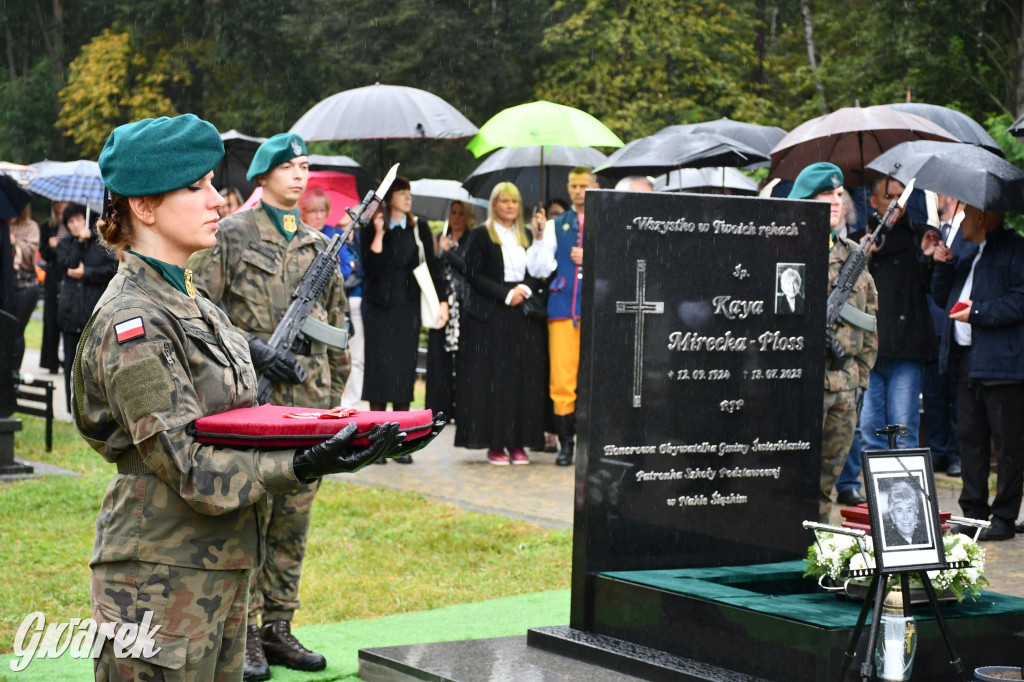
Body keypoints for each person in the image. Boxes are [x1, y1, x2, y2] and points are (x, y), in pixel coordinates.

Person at [76, 114, 406, 681]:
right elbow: (190, 469)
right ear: (144, 206)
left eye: (212, 183)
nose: (217, 200)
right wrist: (299, 462)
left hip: (219, 566)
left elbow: (238, 416)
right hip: (158, 578)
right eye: (195, 186)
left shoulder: (194, 301)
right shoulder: (136, 320)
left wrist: (323, 428)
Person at [188, 132, 351, 679]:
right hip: (253, 402)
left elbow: (337, 334)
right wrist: (254, 349)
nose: (301, 176)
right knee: (253, 517)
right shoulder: (229, 235)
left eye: (306, 167)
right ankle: (247, 631)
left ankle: (279, 627)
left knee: (293, 522)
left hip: (307, 406)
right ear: (263, 175)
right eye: (290, 167)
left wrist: (331, 402)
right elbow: (201, 310)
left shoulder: (319, 244)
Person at [924, 202, 1024, 541]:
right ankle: (975, 512)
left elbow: (1020, 300)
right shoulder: (972, 255)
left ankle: (1004, 516)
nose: (961, 221)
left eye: (966, 215)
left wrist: (979, 312)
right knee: (969, 437)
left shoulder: (1015, 250)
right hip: (966, 360)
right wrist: (942, 263)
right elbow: (943, 298)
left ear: (981, 217)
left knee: (1008, 443)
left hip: (1003, 363)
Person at [788, 163, 878, 523]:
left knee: (826, 486)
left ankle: (816, 556)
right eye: (827, 195)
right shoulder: (785, 250)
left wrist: (859, 378)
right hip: (797, 388)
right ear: (806, 201)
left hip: (842, 387)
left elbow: (870, 320)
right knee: (790, 482)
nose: (837, 201)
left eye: (840, 194)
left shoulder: (852, 254)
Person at [456, 182, 548, 464]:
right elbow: (471, 273)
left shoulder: (529, 236)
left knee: (522, 380)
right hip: (491, 318)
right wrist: (506, 293)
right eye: (504, 201)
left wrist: (525, 289)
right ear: (494, 204)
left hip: (523, 317)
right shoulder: (482, 235)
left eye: (515, 202)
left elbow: (540, 271)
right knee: (495, 380)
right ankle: (495, 443)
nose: (510, 206)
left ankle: (518, 442)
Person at [361, 175, 445, 464]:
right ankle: (377, 440)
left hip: (406, 309)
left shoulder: (418, 227)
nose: (408, 197)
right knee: (378, 372)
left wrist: (442, 300)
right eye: (402, 192)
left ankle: (399, 441)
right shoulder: (371, 225)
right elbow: (369, 269)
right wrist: (379, 234)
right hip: (377, 308)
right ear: (389, 198)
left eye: (409, 192)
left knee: (402, 372)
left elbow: (431, 266)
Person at [858, 176, 937, 455]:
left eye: (900, 197)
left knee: (902, 430)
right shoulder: (861, 238)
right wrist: (862, 258)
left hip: (906, 347)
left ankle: (906, 496)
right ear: (873, 201)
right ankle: (877, 495)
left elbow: (934, 290)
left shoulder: (920, 235)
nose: (895, 203)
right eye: (889, 196)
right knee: (871, 429)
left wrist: (928, 259)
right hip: (870, 348)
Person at [529, 167, 600, 466]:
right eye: (573, 185)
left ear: (595, 186)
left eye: (583, 185)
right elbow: (540, 270)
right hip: (562, 310)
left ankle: (593, 443)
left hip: (598, 309)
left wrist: (594, 254)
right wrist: (539, 236)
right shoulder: (558, 225)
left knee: (597, 378)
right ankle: (566, 445)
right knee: (562, 379)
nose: (578, 190)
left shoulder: (606, 220)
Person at [922, 194, 971, 477]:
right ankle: (939, 451)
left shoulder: (969, 233)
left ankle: (955, 454)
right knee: (933, 393)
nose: (940, 197)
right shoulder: (932, 233)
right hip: (931, 324)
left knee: (955, 393)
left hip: (955, 326)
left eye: (944, 193)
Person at [55, 203, 117, 411]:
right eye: (71, 222)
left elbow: (111, 269)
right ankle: (71, 408)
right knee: (71, 363)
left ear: (86, 219)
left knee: (94, 364)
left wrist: (87, 272)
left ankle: (93, 409)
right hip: (71, 310)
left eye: (79, 220)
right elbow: (67, 266)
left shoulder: (100, 243)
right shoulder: (65, 244)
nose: (76, 225)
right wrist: (77, 244)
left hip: (93, 309)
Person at [425, 200, 475, 420]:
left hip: (464, 304)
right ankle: (439, 408)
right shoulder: (438, 239)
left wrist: (449, 253)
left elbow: (469, 268)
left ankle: (463, 408)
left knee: (464, 359)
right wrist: (438, 251)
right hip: (441, 304)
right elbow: (431, 268)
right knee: (439, 358)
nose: (456, 217)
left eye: (461, 214)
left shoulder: (472, 239)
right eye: (453, 213)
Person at [38, 200, 69, 372]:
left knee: (67, 317)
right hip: (52, 274)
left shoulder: (73, 224)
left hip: (68, 274)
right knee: (50, 318)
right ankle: (51, 360)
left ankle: (68, 358)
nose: (60, 205)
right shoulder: (47, 226)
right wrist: (50, 246)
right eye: (57, 203)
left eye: (63, 202)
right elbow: (44, 253)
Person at [7, 204, 40, 373]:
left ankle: (14, 372)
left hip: (26, 284)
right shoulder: (5, 224)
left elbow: (31, 252)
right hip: (7, 284)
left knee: (17, 329)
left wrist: (15, 243)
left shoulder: (30, 226)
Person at [882, 479, 928, 546]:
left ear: (916, 513)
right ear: (892, 516)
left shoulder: (927, 536)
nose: (905, 517)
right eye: (899, 511)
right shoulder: (887, 542)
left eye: (909, 510)